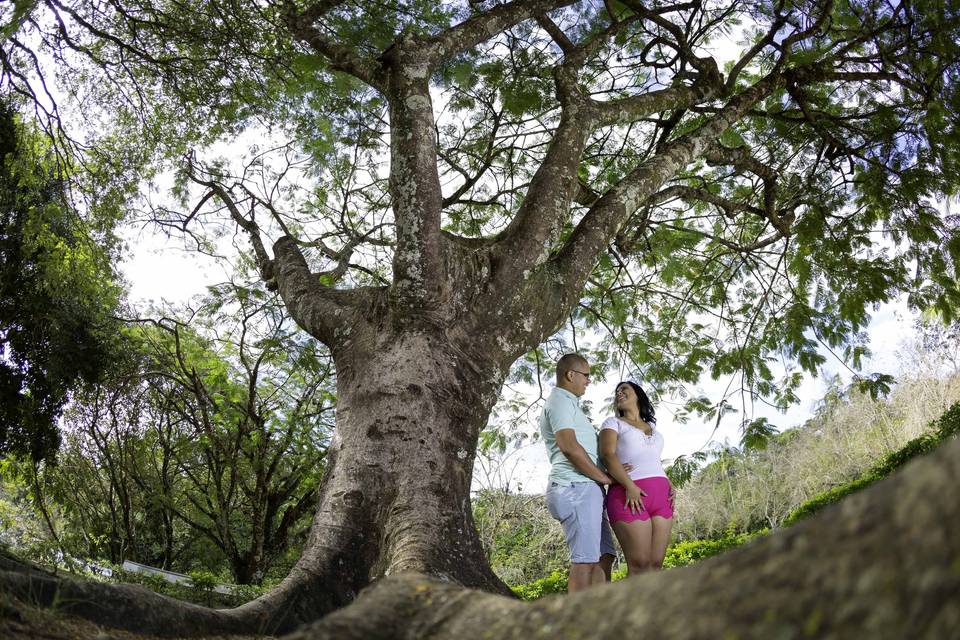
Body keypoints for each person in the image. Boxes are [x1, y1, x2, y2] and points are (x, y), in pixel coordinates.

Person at [540, 353, 617, 592]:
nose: (589, 381)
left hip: (587, 488)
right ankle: (577, 625)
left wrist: (608, 470)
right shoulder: (560, 400)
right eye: (586, 375)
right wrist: (603, 477)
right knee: (585, 561)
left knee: (605, 555)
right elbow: (569, 447)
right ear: (570, 375)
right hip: (575, 487)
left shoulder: (570, 403)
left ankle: (600, 613)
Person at [599, 380, 673, 574]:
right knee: (639, 564)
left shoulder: (652, 428)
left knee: (655, 565)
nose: (619, 393)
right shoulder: (613, 423)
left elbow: (652, 460)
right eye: (616, 392)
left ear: (638, 395)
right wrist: (629, 486)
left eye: (624, 389)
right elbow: (607, 455)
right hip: (628, 496)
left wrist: (668, 482)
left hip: (661, 499)